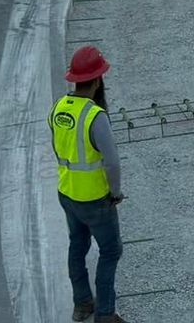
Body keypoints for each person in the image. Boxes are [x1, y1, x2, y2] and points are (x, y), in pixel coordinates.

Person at [51, 46, 125, 323]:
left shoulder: (58, 108)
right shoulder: (95, 116)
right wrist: (115, 193)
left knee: (77, 246)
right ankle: (105, 315)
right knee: (110, 251)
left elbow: (59, 149)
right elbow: (112, 162)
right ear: (97, 80)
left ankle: (82, 304)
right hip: (95, 198)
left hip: (67, 193)